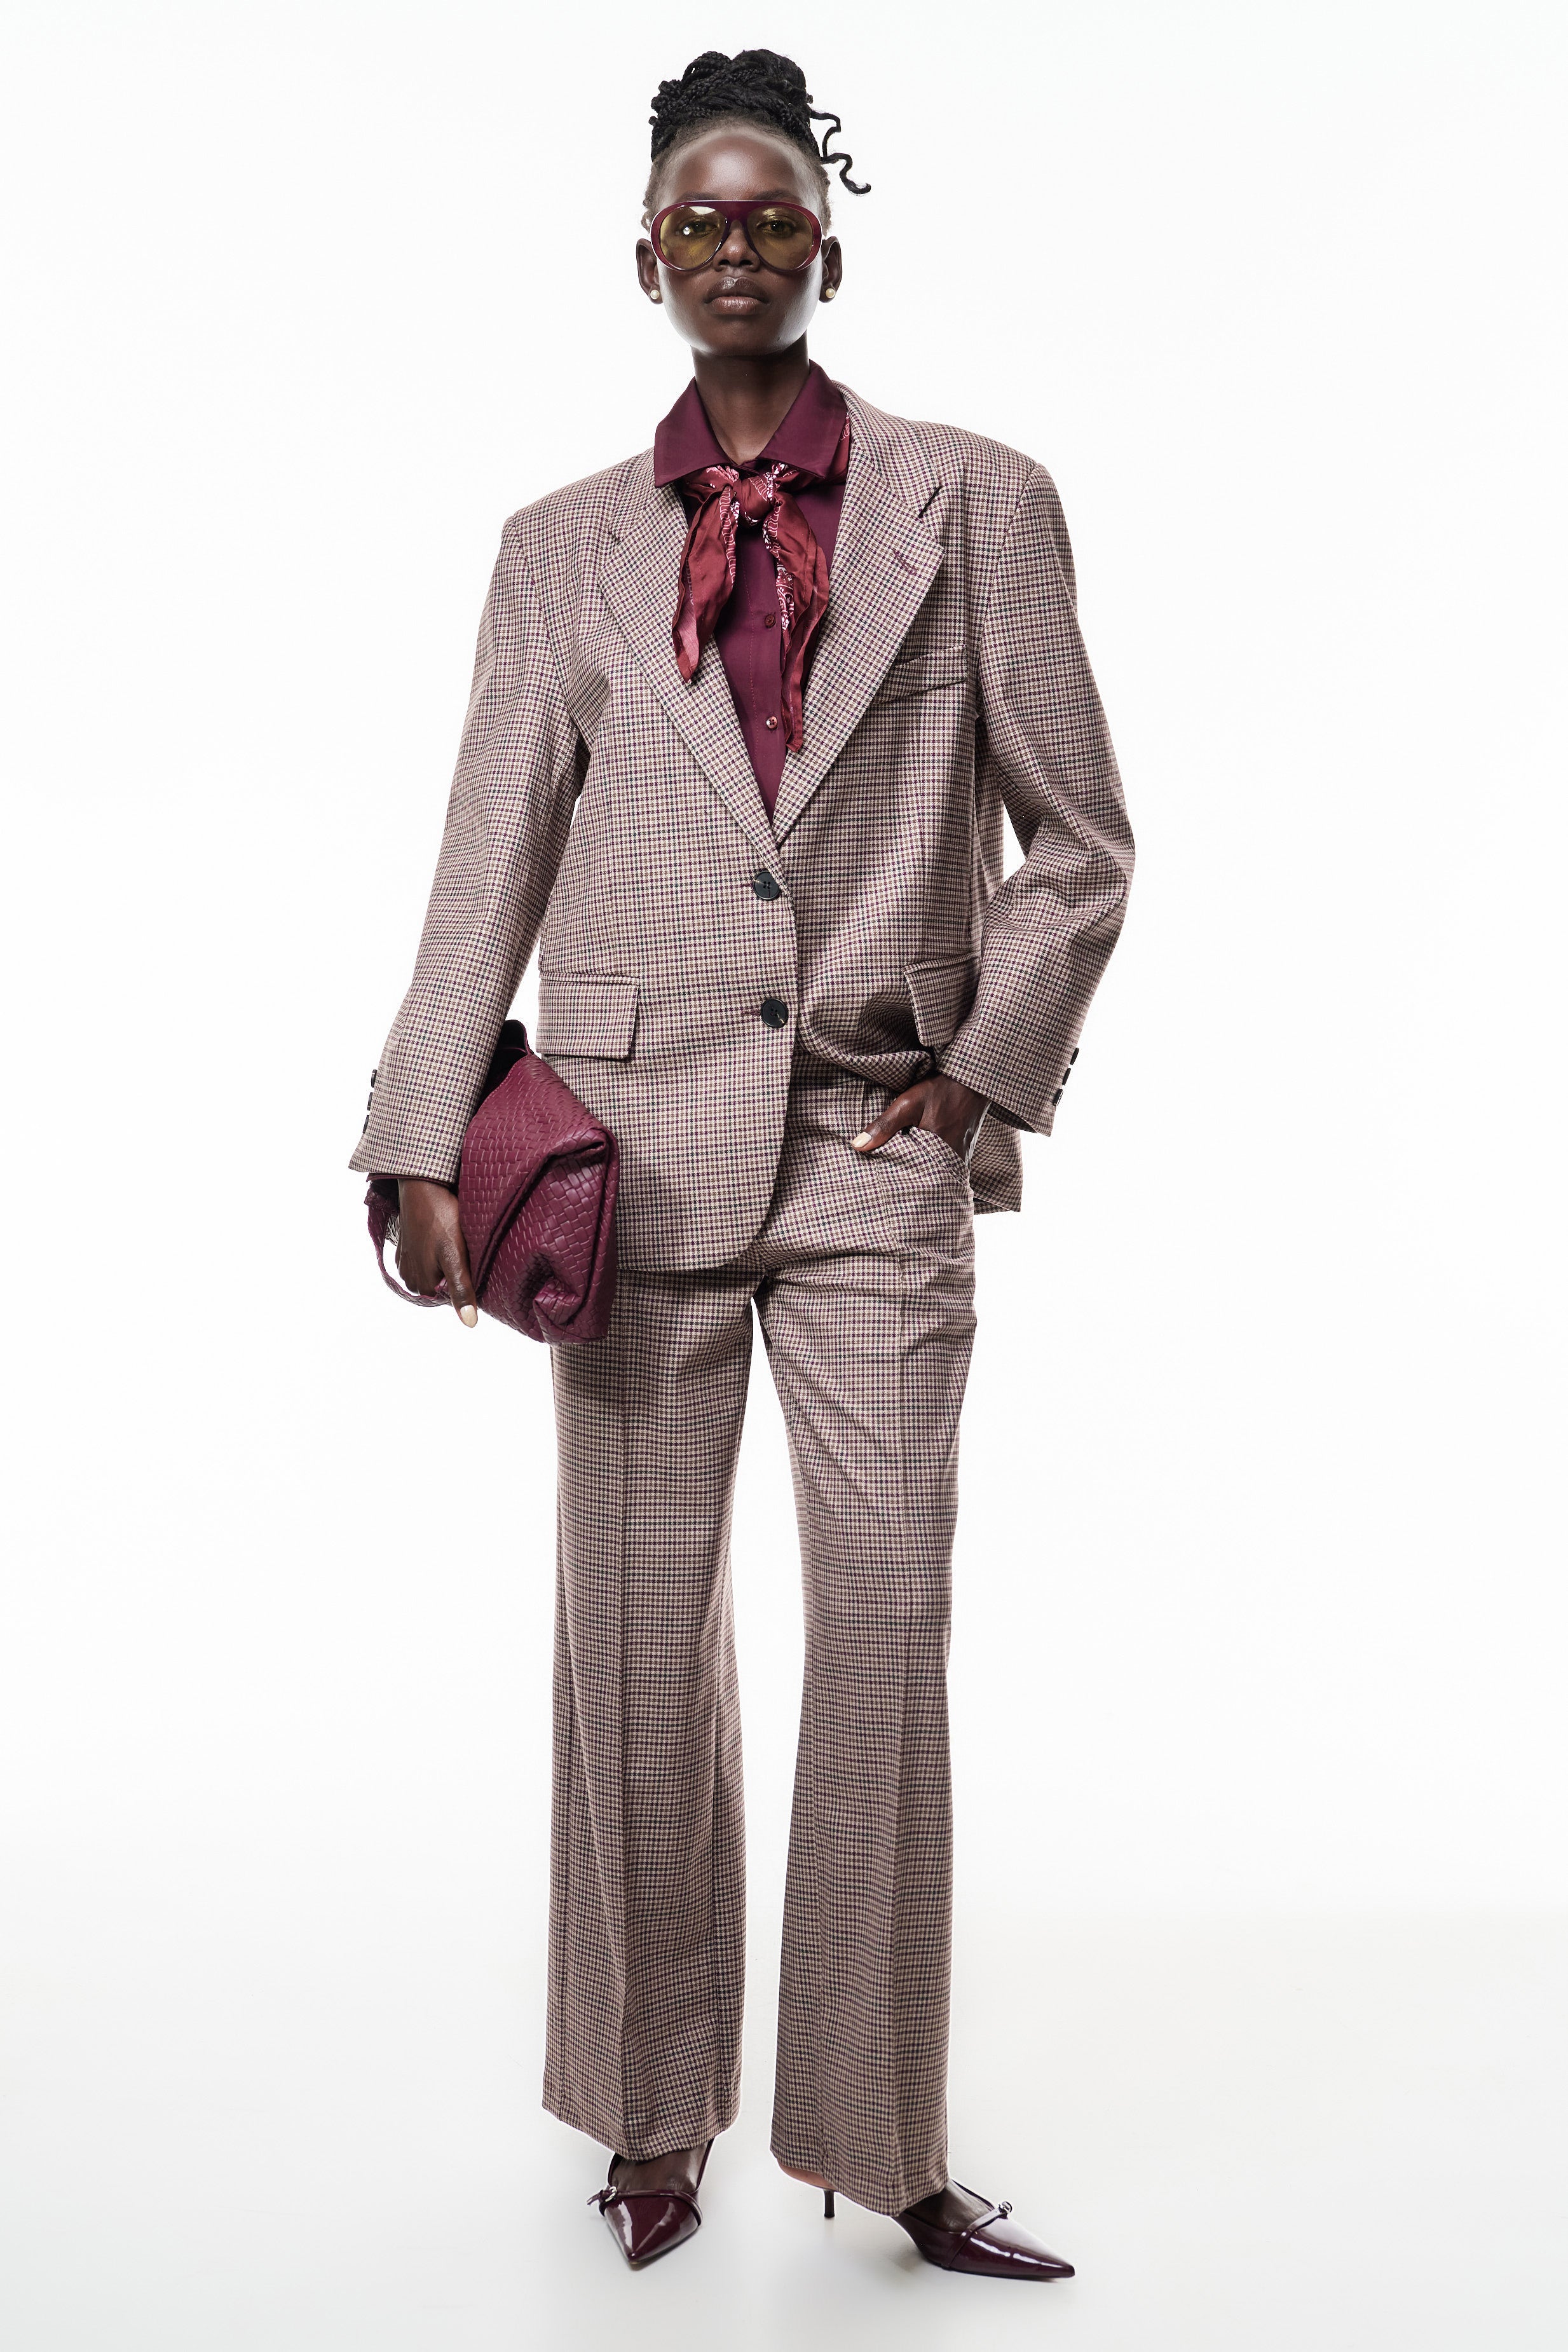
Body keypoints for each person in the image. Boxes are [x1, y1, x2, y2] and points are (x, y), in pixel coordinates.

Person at [352, 47, 1133, 2279]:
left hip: (875, 1150)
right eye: (693, 221)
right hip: (620, 1163)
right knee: (631, 1642)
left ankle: (880, 2139)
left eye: (767, 215)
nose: (730, 249)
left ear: (826, 250)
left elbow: (1079, 846)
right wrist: (419, 1131)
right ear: (644, 258)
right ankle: (647, 2109)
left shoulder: (978, 505)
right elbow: (487, 853)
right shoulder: (557, 552)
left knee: (883, 1631)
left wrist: (975, 1081)